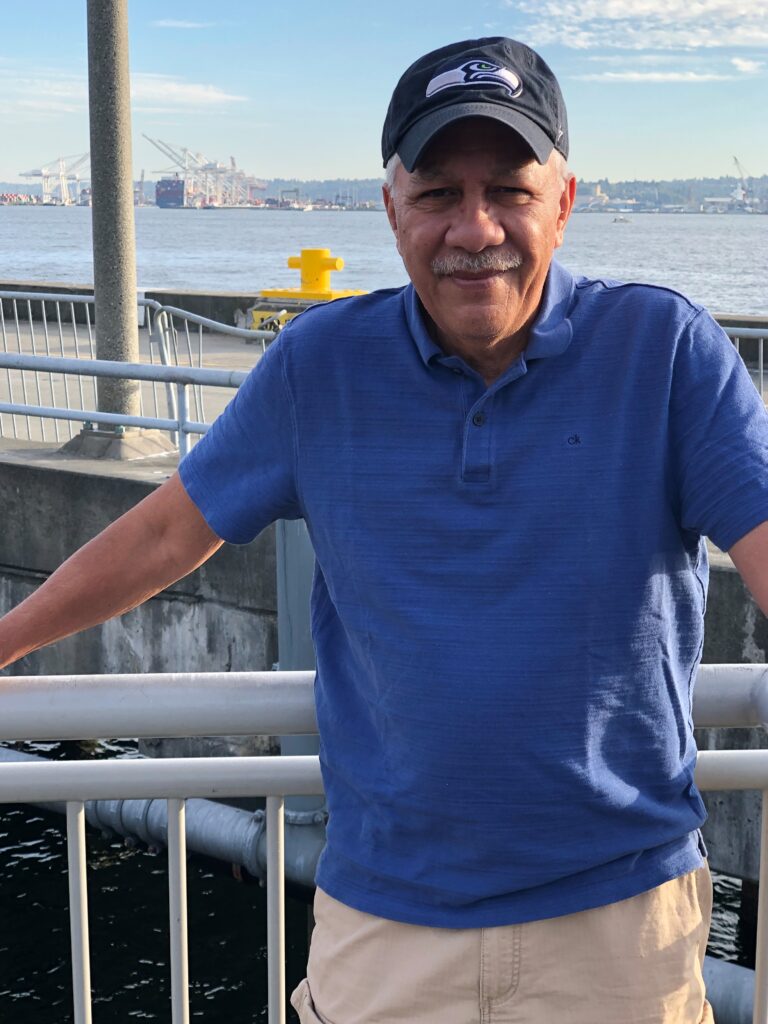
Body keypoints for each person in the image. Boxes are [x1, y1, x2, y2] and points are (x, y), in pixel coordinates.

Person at [1, 35, 768, 1024]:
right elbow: (164, 535)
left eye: (510, 191)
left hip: (618, 924)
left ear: (565, 203)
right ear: (392, 207)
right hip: (383, 920)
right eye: (439, 192)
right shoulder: (319, 363)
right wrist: (8, 639)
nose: (475, 228)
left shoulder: (665, 352)